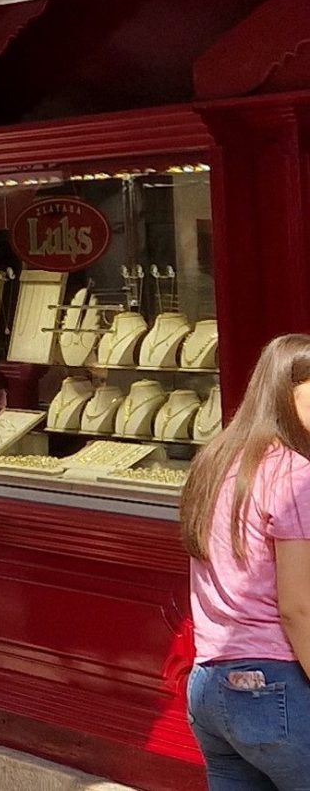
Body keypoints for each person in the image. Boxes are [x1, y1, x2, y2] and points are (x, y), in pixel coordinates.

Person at [182, 331, 310, 787]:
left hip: (208, 685)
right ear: (284, 393)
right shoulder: (295, 473)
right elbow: (297, 607)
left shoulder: (217, 459)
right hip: (273, 684)